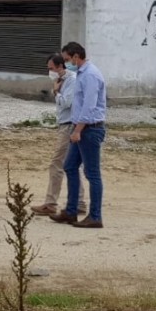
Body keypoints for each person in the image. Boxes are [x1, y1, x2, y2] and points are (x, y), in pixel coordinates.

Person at [49, 42, 107, 229]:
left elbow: (89, 106)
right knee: (69, 166)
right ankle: (71, 211)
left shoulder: (90, 75)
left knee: (92, 173)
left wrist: (78, 130)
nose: (66, 64)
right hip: (81, 127)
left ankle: (95, 216)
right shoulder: (82, 73)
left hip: (88, 129)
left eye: (67, 60)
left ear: (76, 56)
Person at [31, 54, 86, 216]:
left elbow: (67, 103)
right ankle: (79, 203)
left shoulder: (71, 80)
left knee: (58, 163)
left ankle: (51, 203)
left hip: (69, 125)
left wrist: (56, 93)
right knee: (71, 165)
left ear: (60, 66)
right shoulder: (64, 80)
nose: (50, 72)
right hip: (66, 124)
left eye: (51, 68)